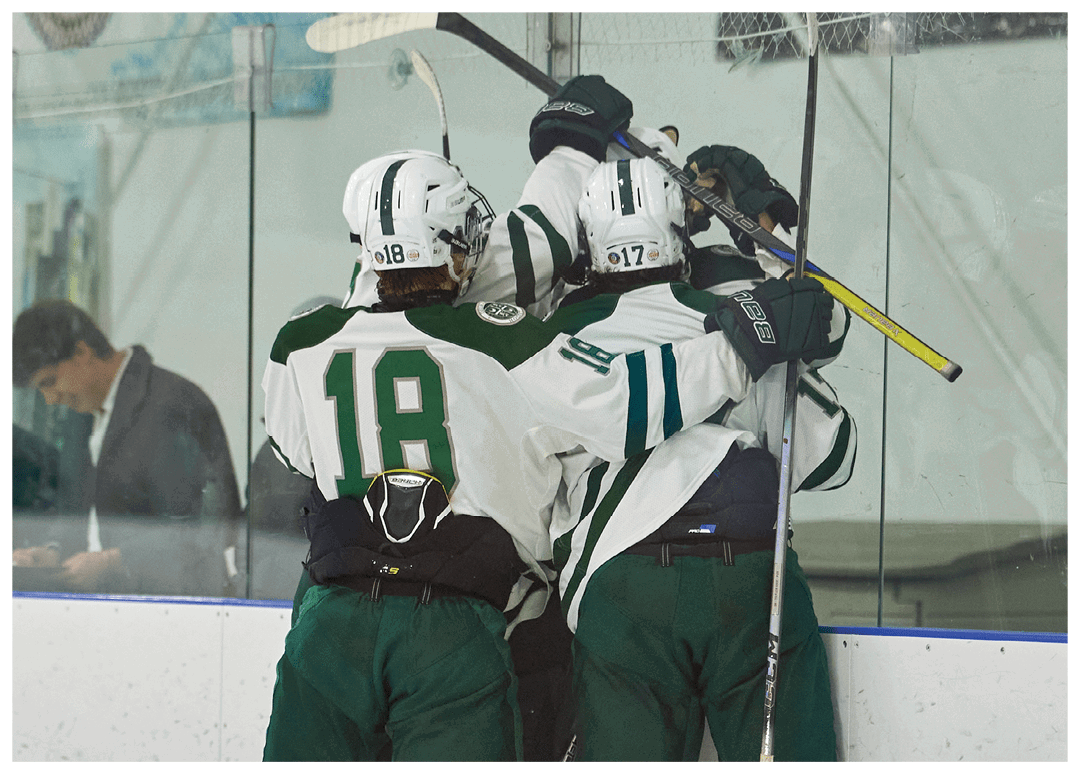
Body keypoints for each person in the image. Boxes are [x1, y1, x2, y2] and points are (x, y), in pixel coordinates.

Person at [258, 79, 839, 760]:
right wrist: (742, 343)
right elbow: (621, 404)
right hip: (456, 624)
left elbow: (297, 448)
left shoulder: (300, 339)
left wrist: (569, 155)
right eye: (469, 234)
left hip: (330, 618)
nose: (482, 246)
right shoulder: (500, 338)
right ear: (450, 249)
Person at [545, 150, 856, 761]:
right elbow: (832, 457)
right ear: (680, 228)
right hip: (747, 581)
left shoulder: (547, 338)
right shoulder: (744, 323)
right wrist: (765, 243)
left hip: (620, 587)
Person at [11, 300, 244, 596]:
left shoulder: (173, 405)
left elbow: (204, 532)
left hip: (170, 608)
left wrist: (112, 562)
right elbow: (84, 512)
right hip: (101, 605)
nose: (50, 399)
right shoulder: (80, 418)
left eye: (50, 382)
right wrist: (52, 552)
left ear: (82, 352)